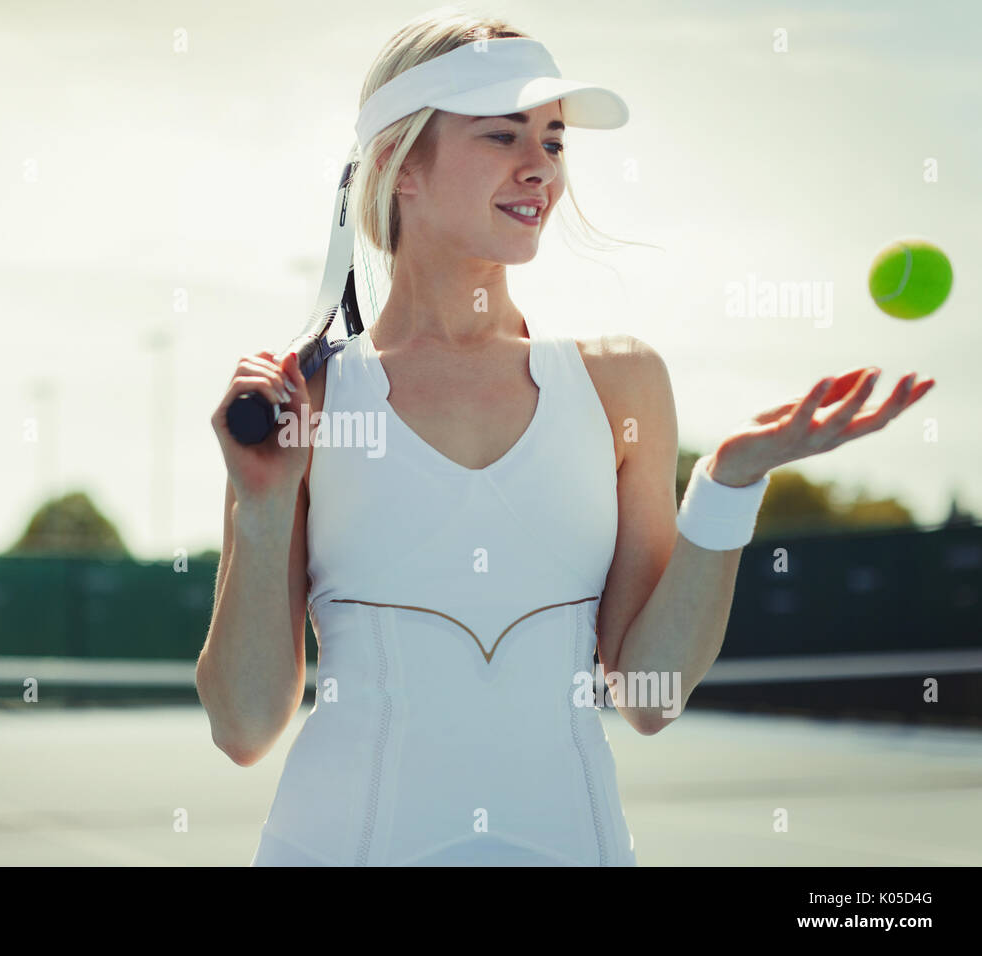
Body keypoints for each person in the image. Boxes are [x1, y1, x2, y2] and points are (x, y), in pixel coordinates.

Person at [197, 11, 936, 867]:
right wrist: (263, 504)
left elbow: (648, 695)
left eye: (553, 140)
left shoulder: (622, 384)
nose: (539, 166)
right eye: (503, 134)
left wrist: (728, 487)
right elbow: (245, 728)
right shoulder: (305, 405)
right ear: (401, 167)